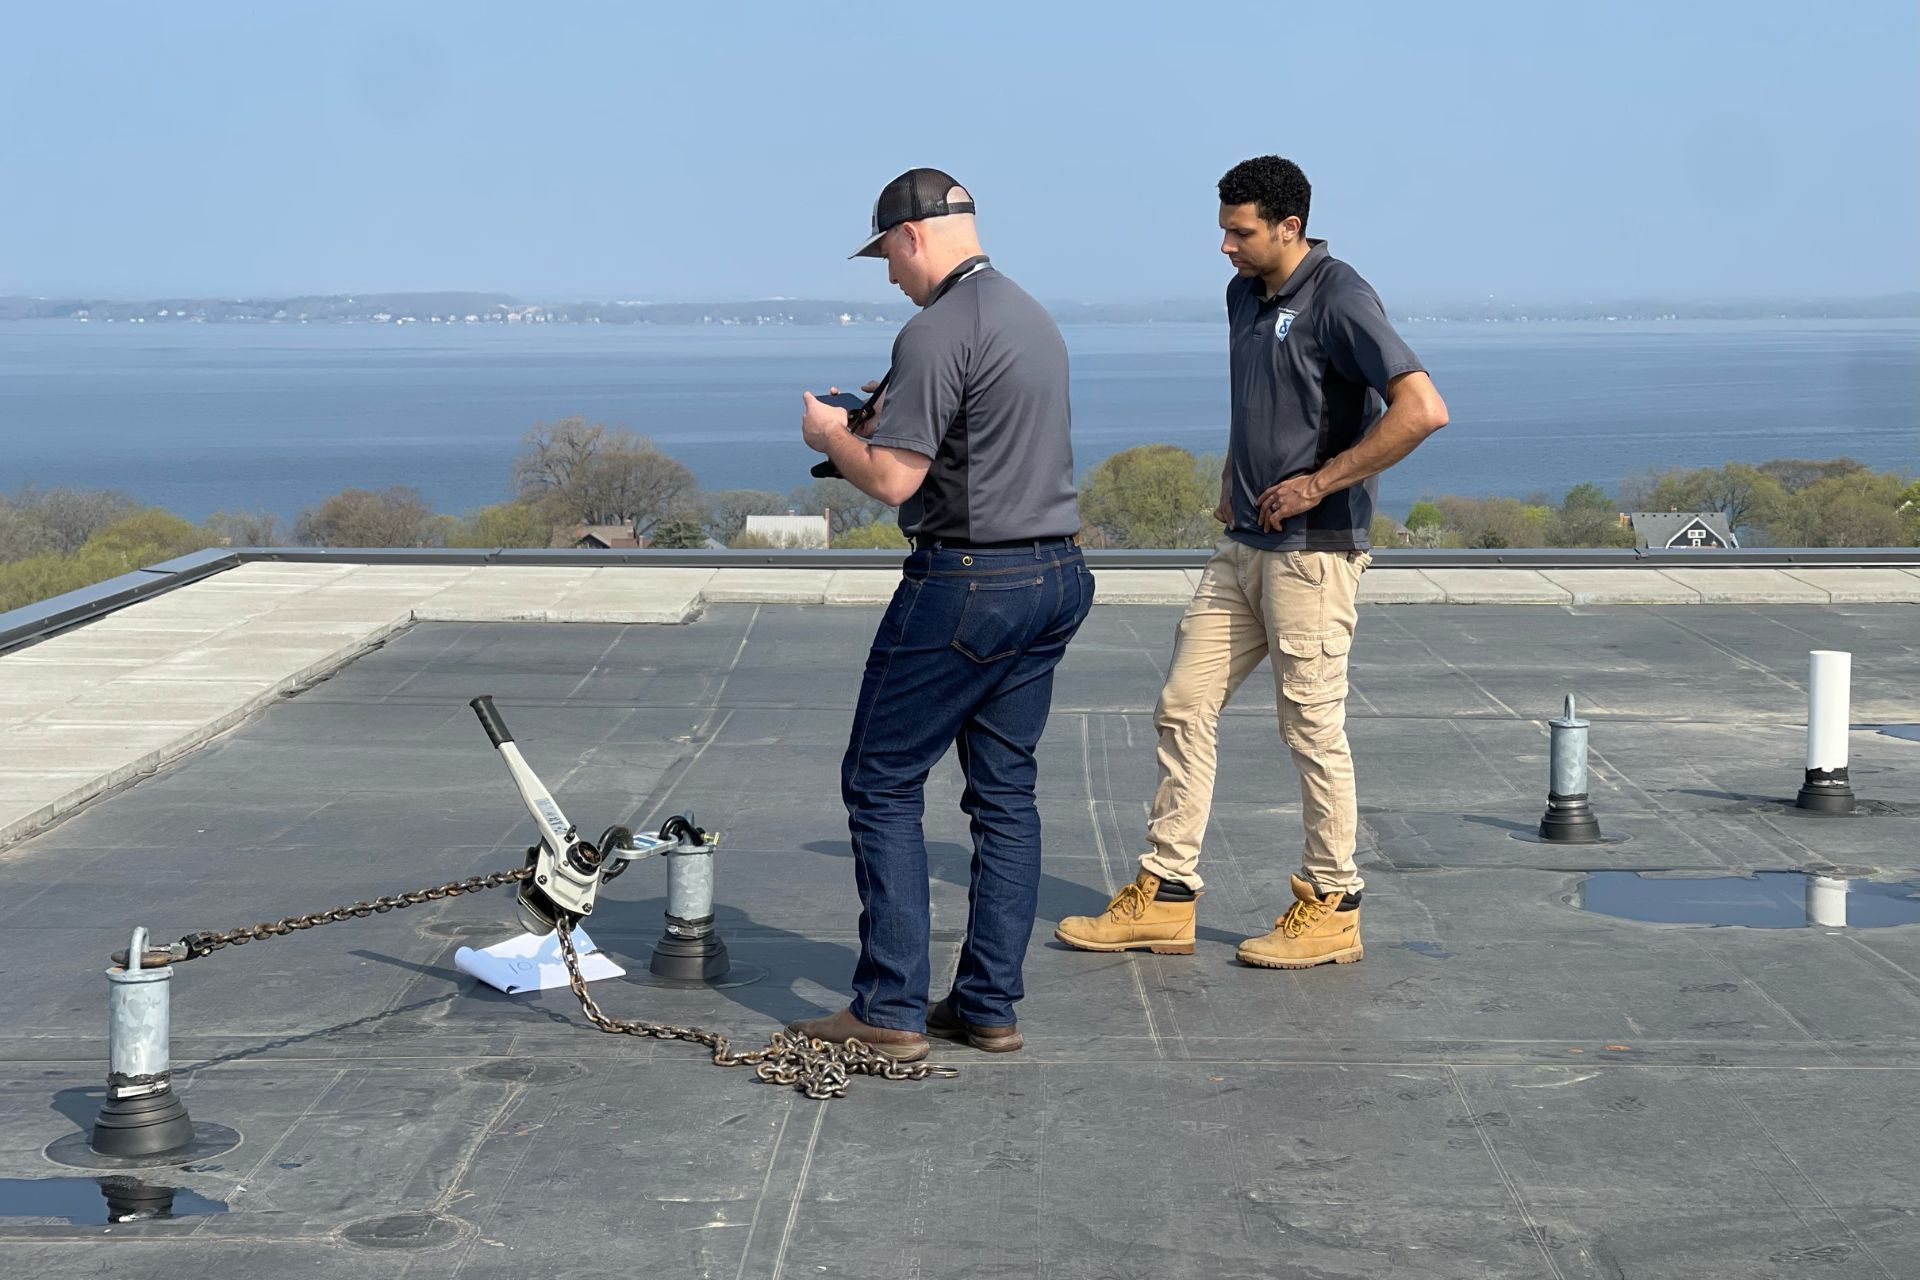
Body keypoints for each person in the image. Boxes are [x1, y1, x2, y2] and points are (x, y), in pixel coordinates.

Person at [1056, 155, 1447, 969]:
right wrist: (1237, 478)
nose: (1225, 247)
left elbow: (1422, 410)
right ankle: (1167, 896)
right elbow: (1262, 399)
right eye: (1224, 231)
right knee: (1181, 706)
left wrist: (1318, 484)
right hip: (1241, 549)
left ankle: (1334, 903)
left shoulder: (1341, 296)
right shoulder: (1244, 294)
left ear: (1288, 227)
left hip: (1313, 557)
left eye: (1239, 232)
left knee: (1310, 729)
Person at [788, 168, 1093, 1058]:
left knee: (880, 780)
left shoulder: (934, 329)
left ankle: (888, 1009)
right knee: (1005, 795)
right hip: (1055, 573)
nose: (889, 274)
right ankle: (988, 1004)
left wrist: (831, 435)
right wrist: (885, 415)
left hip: (968, 581)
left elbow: (893, 480)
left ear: (912, 235)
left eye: (886, 254)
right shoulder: (1031, 317)